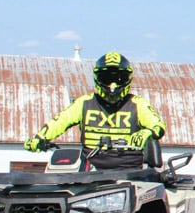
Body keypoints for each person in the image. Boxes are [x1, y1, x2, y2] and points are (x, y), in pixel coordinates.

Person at [24, 51, 166, 170]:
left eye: (118, 78)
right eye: (107, 78)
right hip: (89, 171)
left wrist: (148, 132)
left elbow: (158, 126)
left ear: (127, 79)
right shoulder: (84, 103)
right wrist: (39, 139)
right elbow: (60, 121)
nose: (113, 85)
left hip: (128, 171)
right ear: (97, 78)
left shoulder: (137, 104)